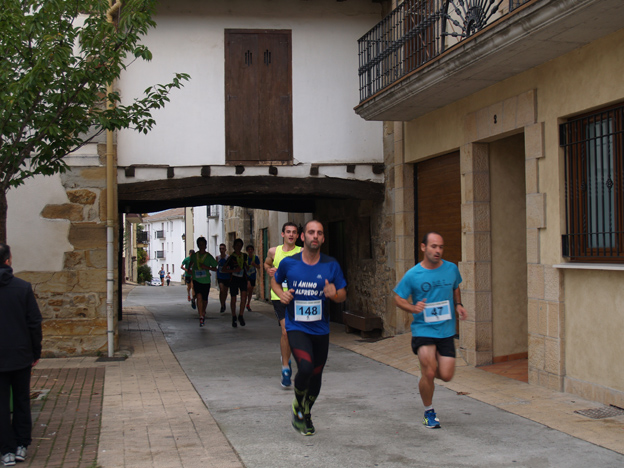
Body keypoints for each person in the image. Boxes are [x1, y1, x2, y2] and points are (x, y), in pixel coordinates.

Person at [271, 220, 347, 436]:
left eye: (319, 233)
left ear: (323, 238)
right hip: (296, 326)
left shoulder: (331, 265)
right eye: (311, 232)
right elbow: (275, 281)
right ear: (303, 237)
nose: (315, 236)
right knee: (305, 367)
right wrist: (281, 293)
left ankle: (307, 412)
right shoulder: (289, 263)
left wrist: (335, 294)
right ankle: (297, 404)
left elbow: (343, 294)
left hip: (320, 330)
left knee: (316, 374)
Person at [393, 232, 467, 429]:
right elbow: (398, 298)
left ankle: (427, 374)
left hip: (446, 330)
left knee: (447, 375)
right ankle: (429, 412)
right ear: (423, 247)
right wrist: (412, 308)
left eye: (441, 247)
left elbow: (455, 286)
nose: (438, 250)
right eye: (434, 246)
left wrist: (458, 304)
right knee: (430, 370)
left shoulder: (451, 269)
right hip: (423, 329)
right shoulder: (413, 274)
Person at [0, 244, 42, 466]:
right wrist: (36, 351)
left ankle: (6, 449)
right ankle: (21, 445)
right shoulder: (22, 288)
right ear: (8, 260)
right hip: (20, 354)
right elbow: (34, 322)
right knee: (21, 400)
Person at [264, 222, 301, 387]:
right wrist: (268, 270)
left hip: (297, 296)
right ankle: (285, 367)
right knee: (286, 331)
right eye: (288, 232)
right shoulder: (274, 251)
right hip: (278, 296)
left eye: (294, 232)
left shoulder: (302, 252)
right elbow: (266, 264)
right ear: (283, 234)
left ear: (297, 236)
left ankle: (287, 357)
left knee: (295, 333)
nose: (291, 235)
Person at [190, 238, 218, 327]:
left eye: (203, 244)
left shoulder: (209, 256)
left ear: (205, 245)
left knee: (205, 299)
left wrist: (206, 267)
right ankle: (201, 316)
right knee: (199, 296)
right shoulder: (194, 256)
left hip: (206, 281)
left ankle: (203, 311)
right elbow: (190, 264)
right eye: (200, 244)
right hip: (196, 280)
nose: (201, 246)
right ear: (198, 245)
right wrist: (190, 271)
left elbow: (215, 268)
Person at [222, 239, 248, 328]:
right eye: (237, 245)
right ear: (233, 246)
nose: (239, 247)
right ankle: (233, 316)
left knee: (244, 297)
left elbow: (246, 265)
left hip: (243, 278)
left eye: (240, 245)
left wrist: (247, 267)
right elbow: (223, 269)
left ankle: (241, 315)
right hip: (234, 279)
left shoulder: (244, 256)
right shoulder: (231, 258)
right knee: (233, 298)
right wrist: (233, 270)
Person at [244, 245, 260, 312]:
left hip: (253, 275)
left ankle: (248, 304)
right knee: (248, 287)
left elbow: (259, 267)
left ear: (253, 250)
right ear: (247, 251)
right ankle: (244, 302)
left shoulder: (255, 258)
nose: (250, 251)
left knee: (250, 291)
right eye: (249, 249)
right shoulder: (245, 258)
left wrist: (254, 265)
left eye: (251, 249)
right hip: (246, 276)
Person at [216, 244, 230, 314]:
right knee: (221, 290)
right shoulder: (217, 258)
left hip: (227, 276)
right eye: (220, 249)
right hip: (220, 276)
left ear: (225, 249)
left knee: (225, 291)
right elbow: (215, 266)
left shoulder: (228, 257)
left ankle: (223, 302)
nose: (221, 250)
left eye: (223, 249)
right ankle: (222, 304)